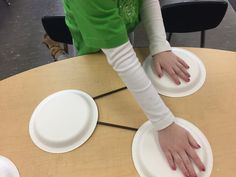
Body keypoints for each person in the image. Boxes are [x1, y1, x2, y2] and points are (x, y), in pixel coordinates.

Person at [63, 0, 205, 176]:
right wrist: (164, 124)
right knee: (101, 91)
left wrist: (159, 45)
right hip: (92, 46)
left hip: (121, 25)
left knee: (124, 49)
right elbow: (121, 56)